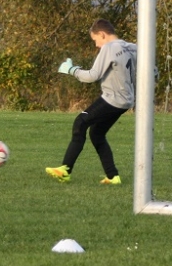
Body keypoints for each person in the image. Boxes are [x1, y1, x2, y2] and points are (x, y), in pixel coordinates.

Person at [45, 19, 137, 185]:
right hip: (127, 100)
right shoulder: (131, 47)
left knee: (80, 122)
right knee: (97, 133)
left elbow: (92, 76)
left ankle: (65, 170)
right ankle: (113, 176)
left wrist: (71, 70)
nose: (96, 45)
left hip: (113, 99)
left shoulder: (109, 48)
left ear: (102, 34)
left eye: (96, 40)